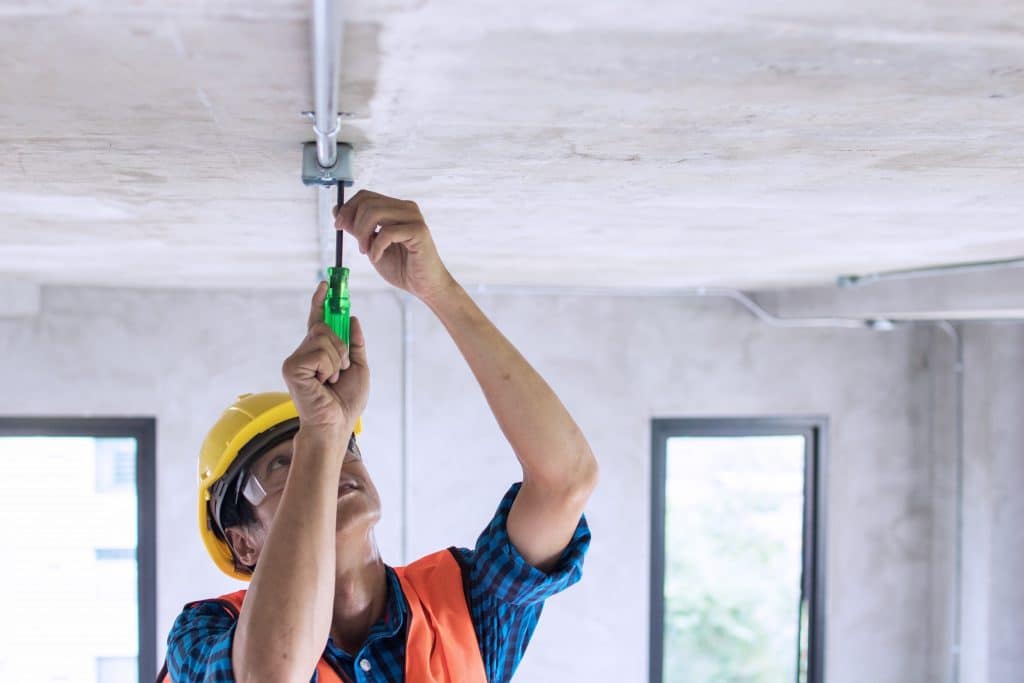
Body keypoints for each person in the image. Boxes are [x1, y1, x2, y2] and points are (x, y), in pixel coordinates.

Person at [162, 190, 599, 682]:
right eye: (283, 465)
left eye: (347, 445)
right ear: (243, 544)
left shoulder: (464, 608)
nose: (334, 463)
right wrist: (323, 432)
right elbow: (270, 673)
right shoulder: (202, 634)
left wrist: (437, 288)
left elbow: (565, 481)